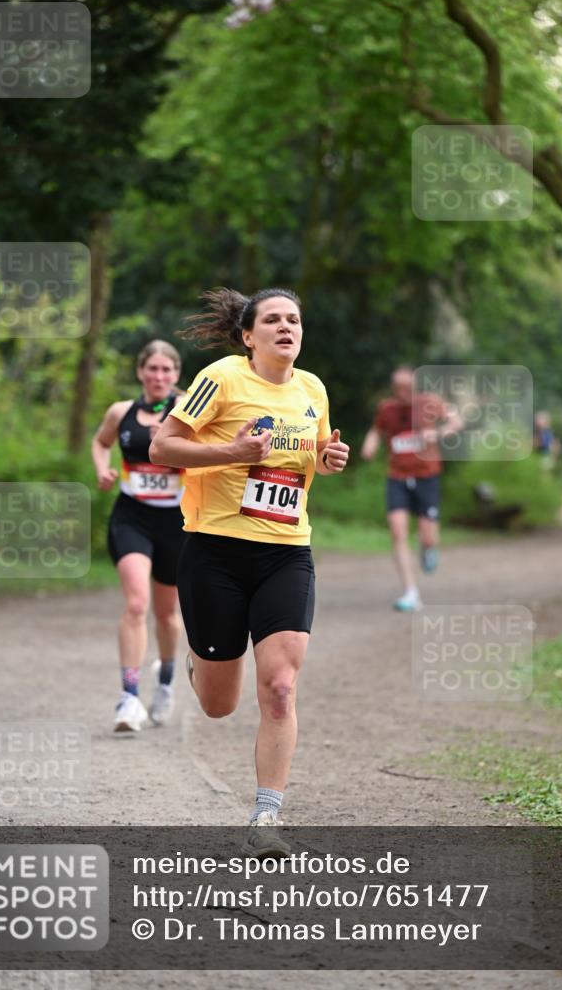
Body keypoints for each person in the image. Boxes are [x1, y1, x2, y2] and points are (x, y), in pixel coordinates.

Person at [150, 288, 349, 854]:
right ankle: (200, 660)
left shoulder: (312, 389)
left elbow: (313, 454)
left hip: (286, 552)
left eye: (294, 319)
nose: (287, 327)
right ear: (247, 335)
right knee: (219, 705)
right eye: (274, 320)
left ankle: (266, 817)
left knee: (281, 688)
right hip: (214, 551)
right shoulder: (221, 379)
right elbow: (163, 447)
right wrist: (230, 454)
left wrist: (327, 460)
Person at [91, 340, 185, 734]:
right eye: (153, 369)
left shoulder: (189, 410)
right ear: (140, 372)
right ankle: (129, 697)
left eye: (167, 370)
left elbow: (215, 454)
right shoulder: (121, 411)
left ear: (177, 374)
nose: (159, 376)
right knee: (135, 604)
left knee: (166, 614)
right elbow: (101, 442)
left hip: (177, 522)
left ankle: (165, 682)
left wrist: (180, 447)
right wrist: (103, 470)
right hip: (132, 517)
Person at [361, 365, 462, 612]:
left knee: (428, 536)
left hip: (427, 476)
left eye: (407, 388)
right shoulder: (387, 408)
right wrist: (370, 444)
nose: (402, 393)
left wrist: (437, 433)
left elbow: (456, 421)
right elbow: (376, 430)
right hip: (397, 476)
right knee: (398, 533)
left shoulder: (431, 402)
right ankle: (410, 592)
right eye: (398, 388)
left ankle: (428, 547)